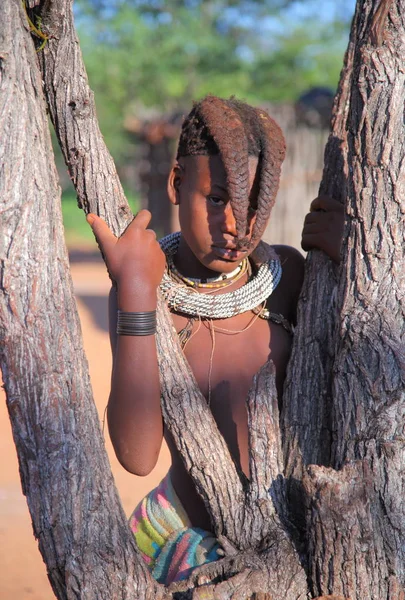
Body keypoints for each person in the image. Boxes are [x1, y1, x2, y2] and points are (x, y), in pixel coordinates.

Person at [86, 95, 343, 585]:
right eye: (219, 198)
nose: (235, 227)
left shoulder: (287, 277)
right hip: (191, 540)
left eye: (253, 207)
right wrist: (137, 294)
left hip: (297, 533)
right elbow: (137, 457)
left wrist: (348, 259)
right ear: (178, 184)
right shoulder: (145, 291)